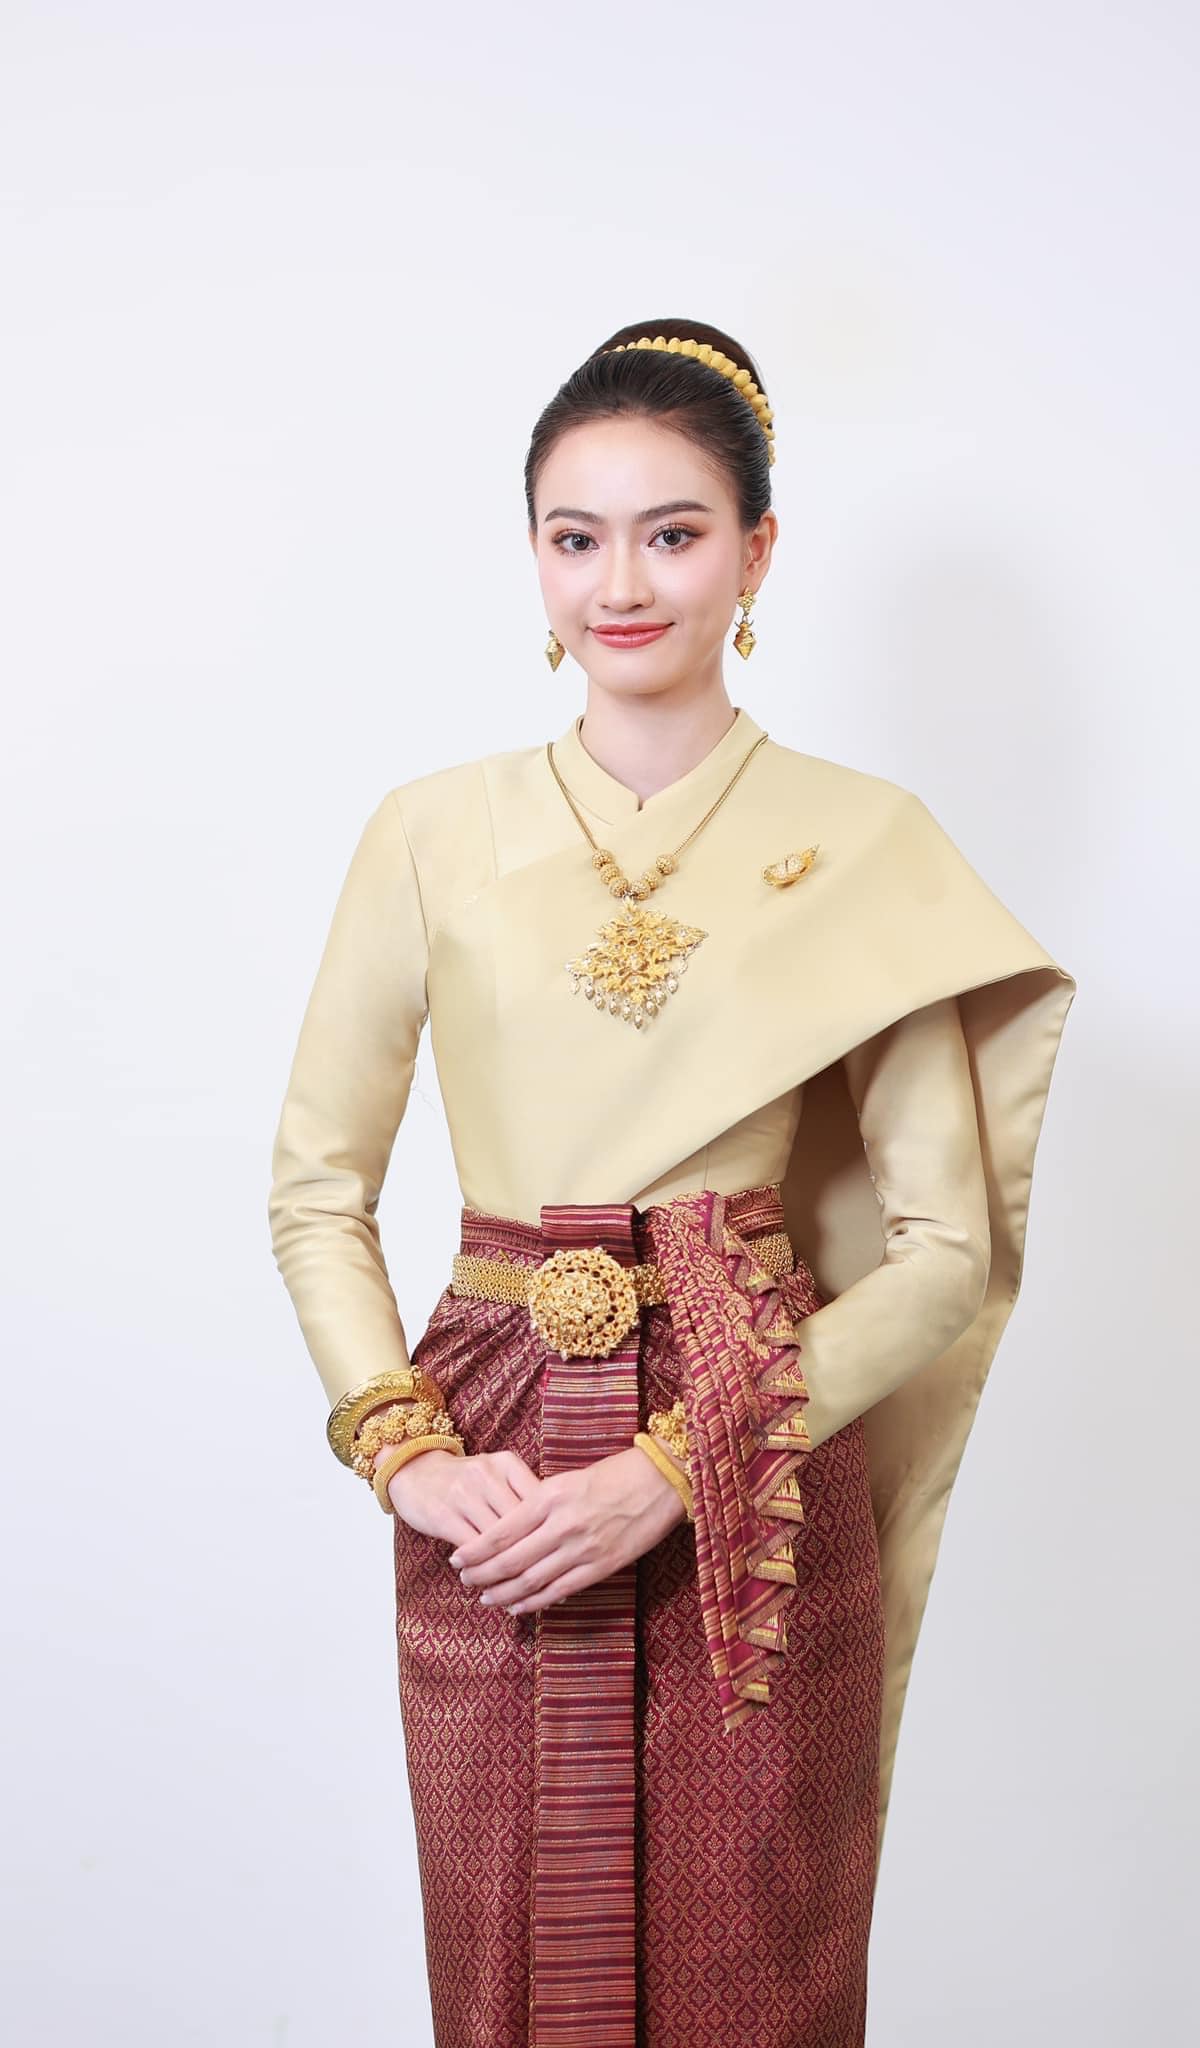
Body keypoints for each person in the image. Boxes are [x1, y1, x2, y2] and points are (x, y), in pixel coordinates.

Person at [267, 322, 1076, 2048]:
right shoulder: (430, 831)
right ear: (535, 557)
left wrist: (680, 1462)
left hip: (759, 1452)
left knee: (760, 1972)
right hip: (490, 1449)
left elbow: (944, 1252)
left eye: (674, 532)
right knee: (510, 1969)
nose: (620, 584)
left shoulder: (866, 842)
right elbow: (317, 1190)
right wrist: (409, 1455)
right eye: (577, 536)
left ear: (756, 551)